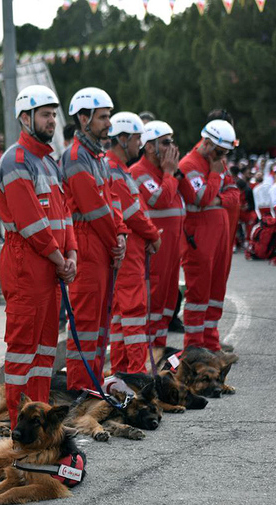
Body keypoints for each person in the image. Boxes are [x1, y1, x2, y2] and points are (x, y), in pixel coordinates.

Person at [0, 85, 77, 420]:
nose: (52, 121)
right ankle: (20, 425)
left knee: (45, 351)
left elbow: (64, 213)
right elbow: (30, 224)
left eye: (54, 115)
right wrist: (61, 260)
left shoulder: (48, 161)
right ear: (25, 118)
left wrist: (71, 253)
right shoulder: (15, 161)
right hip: (26, 264)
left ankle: (40, 420)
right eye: (45, 114)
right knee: (23, 351)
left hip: (51, 265)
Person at [61, 87, 127, 391]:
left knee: (101, 323)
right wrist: (116, 240)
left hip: (102, 242)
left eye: (109, 116)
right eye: (103, 117)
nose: (108, 123)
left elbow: (112, 200)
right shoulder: (76, 157)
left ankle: (95, 384)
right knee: (86, 324)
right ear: (83, 119)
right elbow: (94, 207)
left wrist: (122, 234)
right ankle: (81, 387)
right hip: (87, 244)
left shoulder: (97, 156)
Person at [105, 113, 161, 374]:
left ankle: (121, 370)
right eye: (137, 138)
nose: (140, 144)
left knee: (120, 315)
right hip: (130, 251)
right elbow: (132, 213)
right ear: (123, 138)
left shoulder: (119, 169)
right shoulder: (115, 170)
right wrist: (153, 235)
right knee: (134, 311)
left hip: (131, 249)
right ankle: (135, 373)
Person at [177, 120, 238, 354]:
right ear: (208, 143)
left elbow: (234, 194)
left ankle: (211, 343)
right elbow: (200, 197)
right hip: (199, 237)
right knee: (199, 292)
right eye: (221, 152)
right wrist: (214, 177)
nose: (223, 158)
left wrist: (217, 198)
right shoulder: (189, 164)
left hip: (218, 234)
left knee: (216, 290)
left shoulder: (218, 163)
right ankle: (194, 346)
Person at [130, 121, 183, 359]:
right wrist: (170, 173)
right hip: (154, 252)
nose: (172, 148)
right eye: (165, 142)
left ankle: (159, 353)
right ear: (150, 147)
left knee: (166, 304)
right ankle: (146, 357)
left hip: (171, 253)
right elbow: (159, 199)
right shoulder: (139, 173)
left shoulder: (165, 173)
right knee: (152, 305)